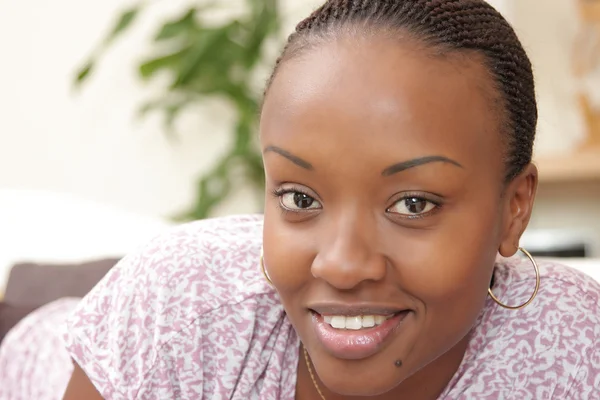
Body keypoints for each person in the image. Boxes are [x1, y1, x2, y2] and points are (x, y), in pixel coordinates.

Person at [59, 0, 600, 399]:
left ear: (516, 208)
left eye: (413, 205)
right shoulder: (179, 310)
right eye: (299, 197)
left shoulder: (575, 352)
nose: (342, 264)